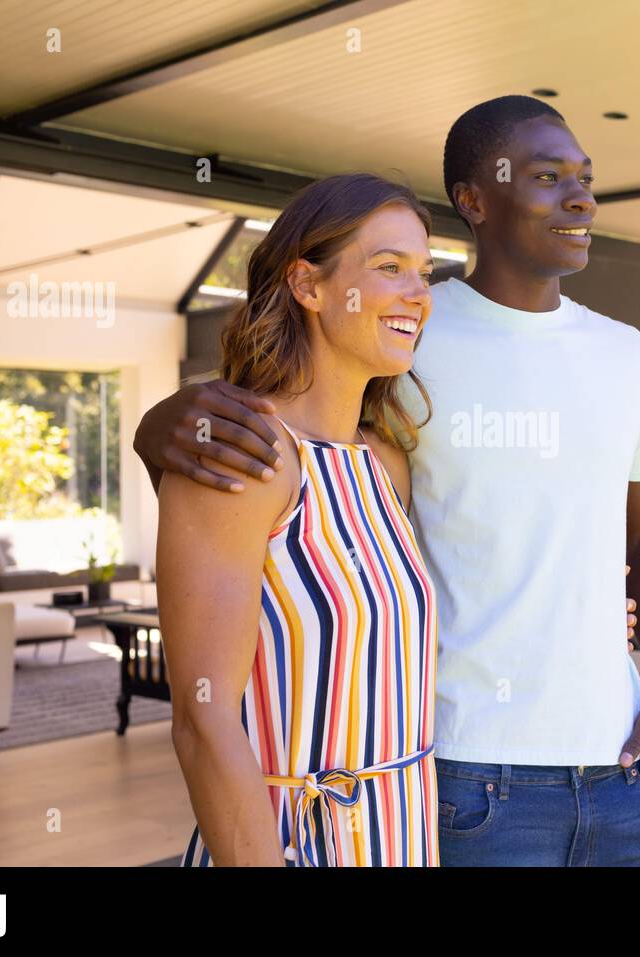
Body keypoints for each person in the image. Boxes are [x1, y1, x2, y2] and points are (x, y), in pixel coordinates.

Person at [137, 96, 640, 867]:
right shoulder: (381, 372)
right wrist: (157, 425)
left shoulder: (394, 447)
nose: (581, 198)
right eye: (546, 177)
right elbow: (205, 712)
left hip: (566, 785)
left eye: (419, 270)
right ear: (476, 201)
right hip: (456, 789)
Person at [155, 173, 441, 866]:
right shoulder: (244, 456)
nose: (418, 294)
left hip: (406, 839)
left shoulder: (385, 464)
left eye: (425, 273)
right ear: (309, 287)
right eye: (389, 268)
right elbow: (203, 718)